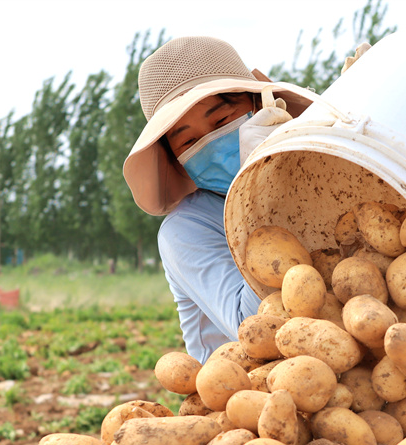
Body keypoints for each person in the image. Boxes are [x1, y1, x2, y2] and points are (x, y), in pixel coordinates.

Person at [122, 36, 321, 362]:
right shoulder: (185, 230)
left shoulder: (317, 186)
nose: (211, 143)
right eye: (189, 140)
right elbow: (255, 328)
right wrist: (263, 191)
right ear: (175, 159)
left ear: (260, 107)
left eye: (222, 121)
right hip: (242, 400)